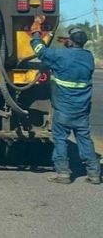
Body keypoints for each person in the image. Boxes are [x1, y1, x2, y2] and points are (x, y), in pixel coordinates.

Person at [30, 18, 99, 184]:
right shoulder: (88, 57)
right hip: (82, 109)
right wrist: (67, 42)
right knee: (84, 139)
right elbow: (73, 56)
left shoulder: (60, 55)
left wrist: (36, 32)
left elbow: (39, 50)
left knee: (60, 139)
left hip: (63, 109)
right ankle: (94, 174)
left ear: (71, 41)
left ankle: (63, 174)